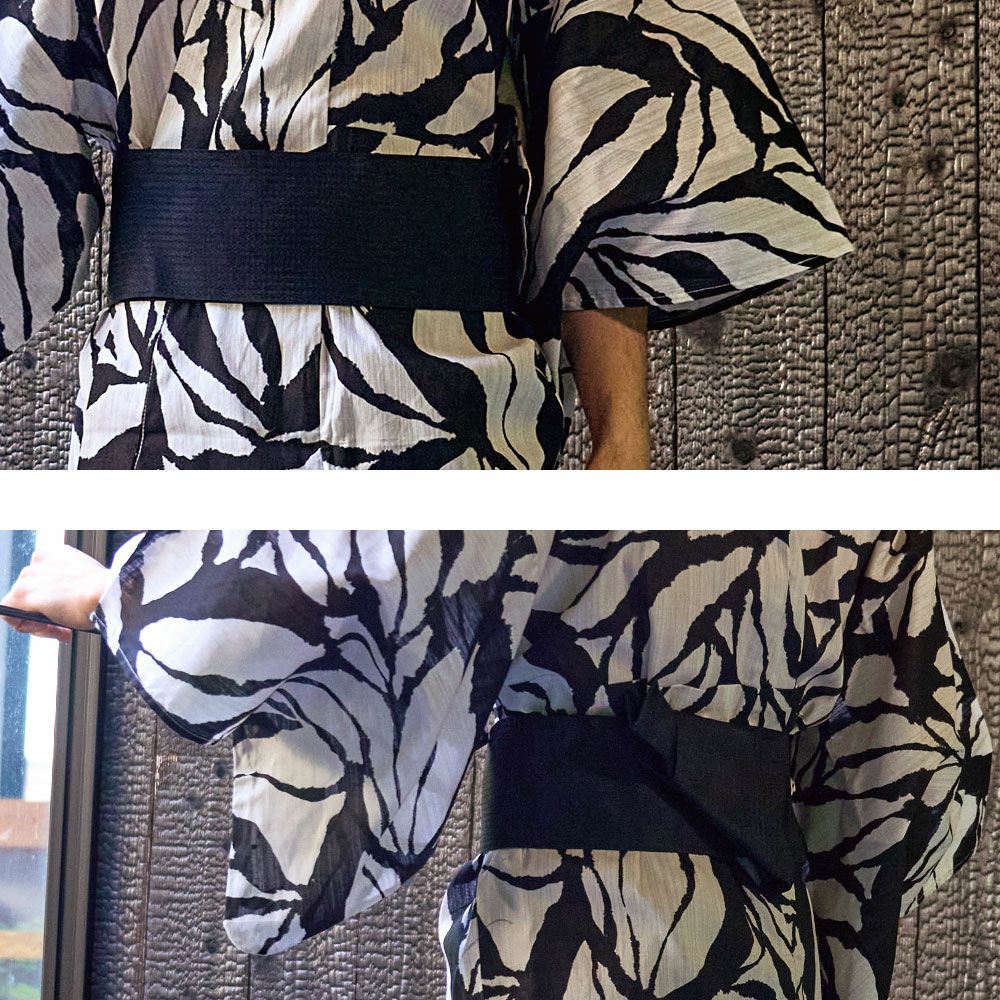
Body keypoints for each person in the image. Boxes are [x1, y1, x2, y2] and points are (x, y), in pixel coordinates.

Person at [2, 530, 992, 999]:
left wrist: (117, 595)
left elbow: (350, 565)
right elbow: (925, 772)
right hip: (759, 953)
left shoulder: (520, 500)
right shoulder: (858, 522)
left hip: (564, 935)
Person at [0, 0, 855, 469]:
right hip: (169, 409)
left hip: (455, 407)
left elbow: (613, 132)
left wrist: (622, 441)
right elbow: (20, 119)